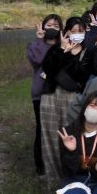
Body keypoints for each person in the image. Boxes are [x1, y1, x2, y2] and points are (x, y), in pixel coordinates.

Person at [39, 16, 91, 184]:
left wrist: (71, 56)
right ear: (66, 32)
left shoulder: (87, 52)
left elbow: (81, 76)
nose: (76, 35)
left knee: (72, 135)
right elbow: (49, 70)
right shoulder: (56, 48)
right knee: (51, 136)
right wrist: (62, 51)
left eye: (80, 31)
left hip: (73, 98)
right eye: (73, 31)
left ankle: (74, 178)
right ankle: (53, 179)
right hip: (51, 96)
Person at [27, 14, 62, 176]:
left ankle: (59, 162)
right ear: (42, 27)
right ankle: (40, 166)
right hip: (40, 94)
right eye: (49, 25)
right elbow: (39, 59)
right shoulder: (35, 46)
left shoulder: (64, 45)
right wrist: (40, 40)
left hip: (60, 93)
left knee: (60, 128)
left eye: (56, 26)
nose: (52, 28)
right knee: (42, 129)